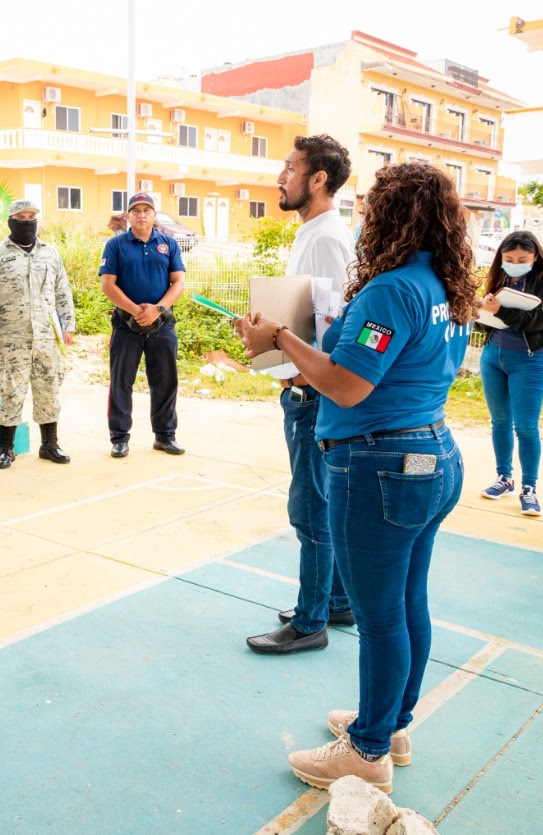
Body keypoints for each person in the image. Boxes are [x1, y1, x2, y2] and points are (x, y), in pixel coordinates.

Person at [237, 162, 474, 793]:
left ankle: (366, 749)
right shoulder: (444, 286)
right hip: (431, 455)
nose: (365, 218)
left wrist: (280, 336)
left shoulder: (391, 291)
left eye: (374, 208)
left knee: (378, 616)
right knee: (405, 603)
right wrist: (293, 347)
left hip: (381, 466)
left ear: (393, 215)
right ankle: (390, 724)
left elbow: (347, 382)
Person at [245, 135, 356, 656]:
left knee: (312, 511)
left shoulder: (327, 238)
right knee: (319, 506)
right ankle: (334, 599)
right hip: (303, 389)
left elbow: (334, 325)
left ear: (318, 179)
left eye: (290, 168)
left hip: (312, 396)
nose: (280, 177)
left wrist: (304, 382)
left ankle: (312, 621)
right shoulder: (313, 233)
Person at [0, 199, 76, 468]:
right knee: (11, 392)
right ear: (10, 221)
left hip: (46, 337)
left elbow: (62, 290)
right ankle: (6, 448)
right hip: (10, 337)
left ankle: (50, 445)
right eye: (21, 217)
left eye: (32, 217)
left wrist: (68, 325)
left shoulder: (50, 253)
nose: (27, 221)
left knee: (48, 389)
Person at [476, 230, 543, 517]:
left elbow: (541, 320)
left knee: (526, 426)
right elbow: (488, 322)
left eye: (522, 259)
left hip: (530, 359)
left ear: (535, 256)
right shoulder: (499, 277)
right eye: (508, 258)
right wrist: (479, 313)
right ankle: (505, 478)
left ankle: (530, 488)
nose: (514, 263)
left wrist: (501, 310)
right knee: (500, 421)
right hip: (493, 357)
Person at [98, 192, 186, 458]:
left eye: (147, 210)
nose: (142, 215)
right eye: (136, 211)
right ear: (128, 216)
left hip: (162, 325)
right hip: (127, 325)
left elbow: (178, 282)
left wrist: (157, 310)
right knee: (121, 382)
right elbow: (108, 284)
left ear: (154, 215)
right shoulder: (115, 245)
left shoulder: (168, 244)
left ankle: (165, 436)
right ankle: (120, 438)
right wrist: (137, 311)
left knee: (165, 382)